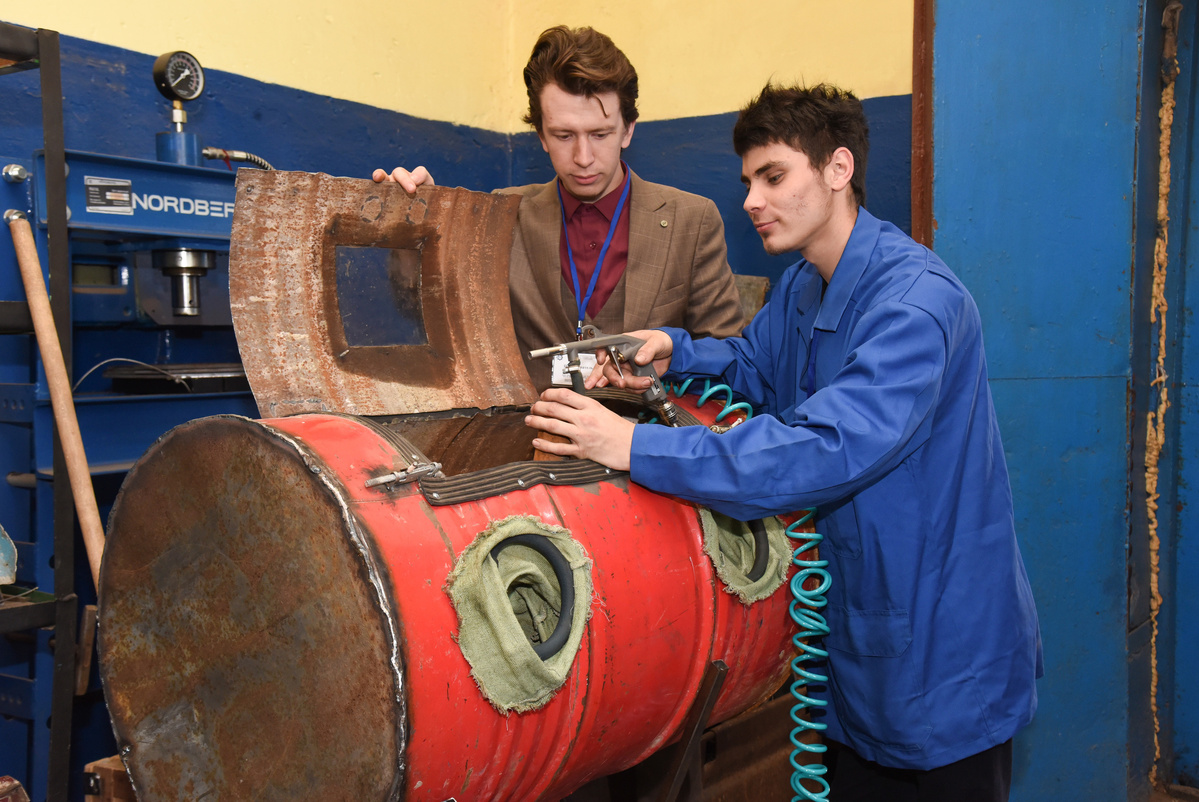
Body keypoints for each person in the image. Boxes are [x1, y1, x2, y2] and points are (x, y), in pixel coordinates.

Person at [524, 83, 1043, 802]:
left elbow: (820, 449)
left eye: (773, 177)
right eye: (748, 182)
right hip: (856, 645)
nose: (752, 201)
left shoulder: (917, 305)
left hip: (942, 655)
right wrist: (672, 352)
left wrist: (631, 446)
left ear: (838, 168)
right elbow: (755, 367)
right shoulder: (804, 285)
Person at [373, 25, 744, 389]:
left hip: (647, 426)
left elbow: (728, 353)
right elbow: (419, 308)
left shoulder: (692, 220)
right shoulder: (501, 215)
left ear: (628, 129)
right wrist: (415, 233)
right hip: (531, 425)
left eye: (600, 134)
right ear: (541, 135)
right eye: (564, 135)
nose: (583, 157)